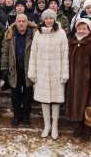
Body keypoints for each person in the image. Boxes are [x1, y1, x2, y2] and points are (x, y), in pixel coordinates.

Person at [28, 9, 69, 140]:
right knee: (44, 101)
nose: (49, 21)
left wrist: (64, 73)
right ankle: (47, 126)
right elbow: (33, 54)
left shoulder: (61, 33)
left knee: (56, 101)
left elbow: (65, 55)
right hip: (42, 72)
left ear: (54, 19)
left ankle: (55, 125)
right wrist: (32, 72)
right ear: (43, 20)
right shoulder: (38, 34)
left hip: (57, 72)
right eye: (47, 18)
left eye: (51, 18)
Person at [65, 18, 91, 141]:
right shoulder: (71, 42)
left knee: (87, 106)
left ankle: (87, 130)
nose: (81, 30)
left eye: (84, 28)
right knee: (75, 105)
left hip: (87, 82)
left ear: (89, 30)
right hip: (73, 80)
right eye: (79, 28)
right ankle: (78, 127)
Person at [1, 14, 37, 127]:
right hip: (14, 69)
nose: (21, 23)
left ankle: (26, 116)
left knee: (27, 94)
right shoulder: (10, 34)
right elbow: (4, 52)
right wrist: (4, 68)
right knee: (15, 95)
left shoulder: (34, 35)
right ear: (15, 22)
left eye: (23, 21)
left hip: (28, 69)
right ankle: (17, 116)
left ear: (27, 23)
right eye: (19, 21)